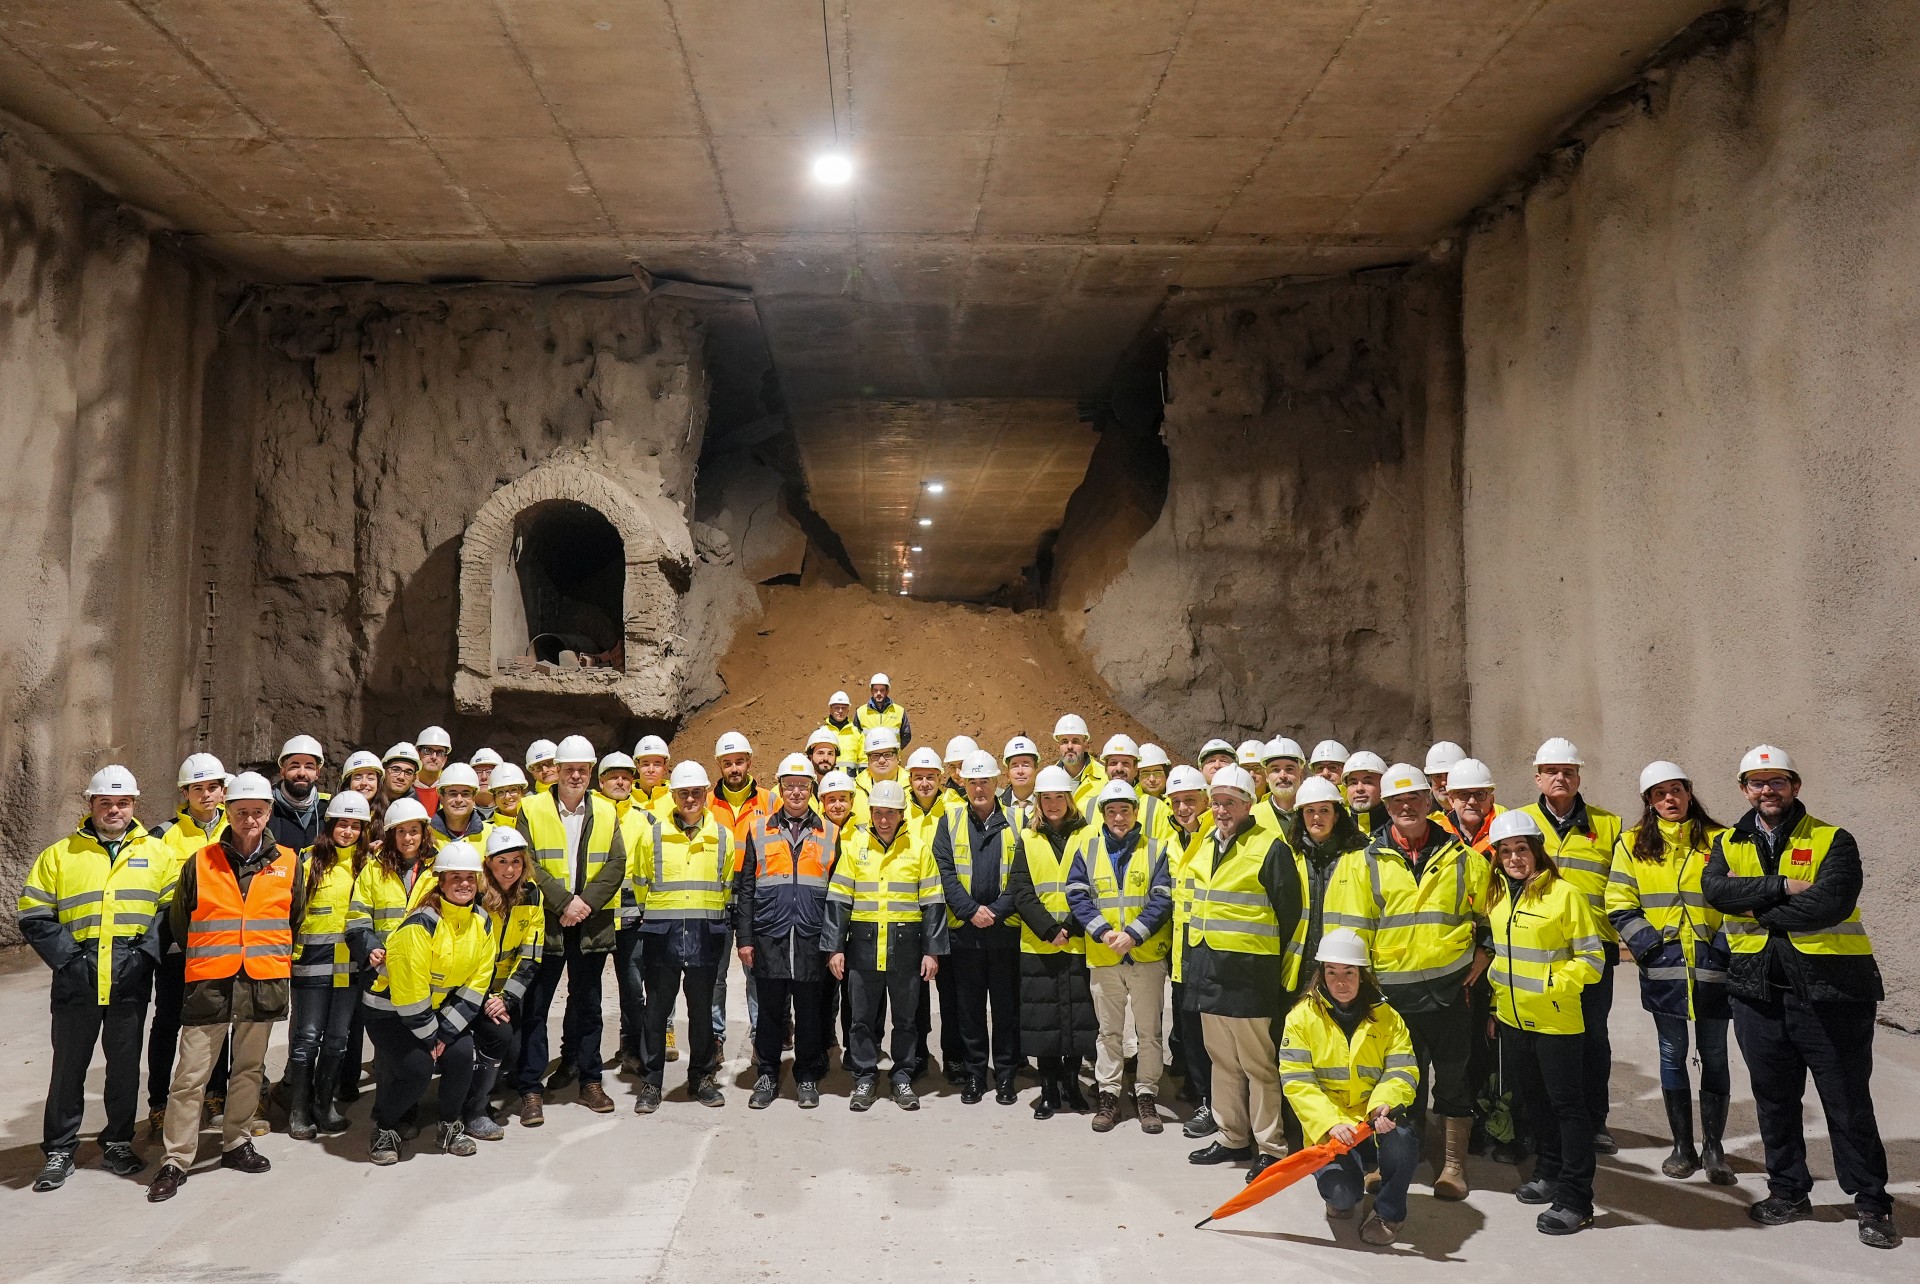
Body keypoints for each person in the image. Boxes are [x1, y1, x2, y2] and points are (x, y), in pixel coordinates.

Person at [1703, 745, 1896, 1250]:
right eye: (1757, 782)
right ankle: (1788, 1191)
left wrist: (1757, 907)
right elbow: (1717, 893)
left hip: (1831, 993)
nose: (1767, 790)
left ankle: (1872, 1203)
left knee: (1847, 1102)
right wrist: (1784, 885)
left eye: (1777, 781)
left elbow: (1830, 904)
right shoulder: (1726, 842)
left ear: (1795, 786)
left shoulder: (1833, 839)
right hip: (1756, 993)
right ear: (1744, 789)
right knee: (1774, 1101)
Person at [148, 772, 303, 1203]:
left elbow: (295, 917)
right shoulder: (200, 861)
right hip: (210, 983)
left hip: (261, 981)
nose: (249, 819)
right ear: (228, 812)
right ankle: (176, 1159)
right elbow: (180, 920)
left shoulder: (289, 862)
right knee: (191, 1075)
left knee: (249, 1069)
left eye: (257, 812)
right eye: (241, 812)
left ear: (268, 813)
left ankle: (236, 1142)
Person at [21, 766, 173, 1192]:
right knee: (68, 1068)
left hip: (130, 975)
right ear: (90, 804)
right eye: (105, 802)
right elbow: (33, 913)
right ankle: (59, 1149)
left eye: (122, 802)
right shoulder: (60, 854)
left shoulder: (157, 853)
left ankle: (118, 1142)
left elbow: (170, 912)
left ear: (134, 805)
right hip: (77, 977)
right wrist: (70, 959)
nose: (114, 810)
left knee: (124, 1068)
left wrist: (144, 955)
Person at [1343, 764, 1490, 1200]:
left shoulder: (1463, 859)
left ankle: (1453, 1167)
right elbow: (1354, 931)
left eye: (1414, 799)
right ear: (1386, 806)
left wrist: (1484, 952)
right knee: (1398, 1083)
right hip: (1393, 997)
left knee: (1453, 1079)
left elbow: (1489, 915)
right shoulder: (1366, 862)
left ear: (1430, 801)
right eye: (1396, 801)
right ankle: (1393, 1163)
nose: (1406, 807)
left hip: (1450, 992)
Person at [1607, 761, 1734, 1185]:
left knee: (1714, 1053)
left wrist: (1723, 946)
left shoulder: (1721, 839)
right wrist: (1651, 949)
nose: (1669, 799)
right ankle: (1683, 1147)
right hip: (1664, 967)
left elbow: (1740, 898)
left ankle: (1714, 1148)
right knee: (1671, 1053)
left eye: (1676, 790)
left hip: (1713, 964)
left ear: (1688, 792)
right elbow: (1619, 902)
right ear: (1649, 801)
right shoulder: (1632, 844)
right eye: (1659, 794)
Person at [1485, 809, 1606, 1235]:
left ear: (1537, 850)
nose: (1514, 858)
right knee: (1534, 1102)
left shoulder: (1565, 895)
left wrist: (1551, 984)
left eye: (1521, 849)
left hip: (1556, 1021)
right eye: (1505, 851)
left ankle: (1577, 1199)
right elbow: (1503, 957)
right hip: (1513, 1018)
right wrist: (1497, 1004)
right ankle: (1549, 1171)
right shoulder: (1499, 898)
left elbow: (1592, 960)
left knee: (1568, 1108)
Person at [1184, 765, 1302, 1183]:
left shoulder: (1270, 848)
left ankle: (1270, 1147)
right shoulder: (1204, 844)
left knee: (1258, 1066)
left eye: (1230, 803)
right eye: (1216, 803)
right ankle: (1232, 1137)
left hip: (1250, 977)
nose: (1221, 810)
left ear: (1249, 804)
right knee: (1222, 1062)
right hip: (1209, 971)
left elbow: (1290, 916)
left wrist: (1281, 976)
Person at [1279, 929, 1420, 1246]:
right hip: (1333, 1127)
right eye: (1332, 972)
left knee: (1403, 1140)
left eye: (1349, 972)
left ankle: (1389, 1213)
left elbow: (1402, 1069)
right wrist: (1330, 1122)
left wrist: (1383, 1104)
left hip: (1373, 1120)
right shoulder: (1301, 1019)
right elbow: (1297, 1080)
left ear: (1362, 974)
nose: (1340, 982)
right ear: (1321, 974)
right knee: (1342, 1197)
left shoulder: (1388, 1018)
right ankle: (1345, 1184)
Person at [1518, 738, 1623, 1153]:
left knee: (1593, 1037)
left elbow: (1620, 886)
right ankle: (1540, 1122)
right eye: (1551, 771)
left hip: (1591, 948)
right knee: (1540, 1038)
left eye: (1568, 771)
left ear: (1579, 776)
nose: (1560, 777)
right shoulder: (1520, 821)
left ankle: (1595, 1121)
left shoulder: (1608, 825)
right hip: (1535, 949)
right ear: (1538, 778)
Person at [514, 735, 626, 1117]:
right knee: (536, 1007)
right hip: (545, 923)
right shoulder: (531, 808)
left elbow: (616, 864)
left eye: (582, 769)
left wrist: (584, 904)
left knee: (588, 1006)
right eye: (569, 769)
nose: (576, 775)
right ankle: (530, 1088)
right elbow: (526, 861)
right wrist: (564, 903)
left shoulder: (607, 810)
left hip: (590, 923)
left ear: (590, 772)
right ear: (557, 770)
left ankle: (590, 1081)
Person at [363, 841, 493, 1164]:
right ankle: (384, 1127)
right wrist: (431, 1036)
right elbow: (410, 991)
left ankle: (449, 1126)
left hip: (436, 1012)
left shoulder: (482, 922)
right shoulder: (422, 923)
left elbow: (476, 984)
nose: (464, 884)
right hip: (389, 1012)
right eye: (455, 877)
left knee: (462, 1054)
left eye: (470, 877)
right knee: (419, 1068)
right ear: (441, 881)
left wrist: (446, 1032)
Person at [823, 779, 946, 1111]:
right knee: (861, 1019)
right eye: (878, 812)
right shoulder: (854, 847)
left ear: (902, 813)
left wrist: (932, 951)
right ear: (871, 812)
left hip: (906, 949)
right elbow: (838, 900)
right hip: (863, 949)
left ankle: (902, 1076)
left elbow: (933, 903)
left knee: (906, 1020)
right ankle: (864, 1077)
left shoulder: (918, 849)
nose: (884, 819)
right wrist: (835, 947)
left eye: (891, 813)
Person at [1067, 779, 1174, 1134]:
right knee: (1108, 1032)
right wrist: (1104, 932)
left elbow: (1162, 898)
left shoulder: (1155, 850)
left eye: (1124, 810)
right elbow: (1077, 895)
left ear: (1135, 812)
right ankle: (1109, 1093)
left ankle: (1146, 1094)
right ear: (1102, 814)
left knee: (1149, 1033)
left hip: (1145, 956)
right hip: (1105, 955)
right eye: (1111, 811)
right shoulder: (1088, 851)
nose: (1118, 818)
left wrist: (1134, 934)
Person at [736, 754, 838, 1110]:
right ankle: (767, 1073)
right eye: (790, 785)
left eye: (803, 786)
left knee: (809, 1013)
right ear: (780, 787)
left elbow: (837, 893)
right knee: (770, 1012)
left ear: (812, 789)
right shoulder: (758, 829)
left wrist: (833, 941)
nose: (796, 792)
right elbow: (746, 889)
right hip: (770, 936)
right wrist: (745, 939)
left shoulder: (830, 832)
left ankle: (806, 1076)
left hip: (811, 937)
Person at [635, 761, 735, 1112]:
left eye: (696, 792)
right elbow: (640, 884)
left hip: (705, 934)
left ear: (705, 793)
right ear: (673, 795)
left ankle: (701, 1079)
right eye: (683, 793)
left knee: (702, 1011)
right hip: (662, 935)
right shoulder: (653, 835)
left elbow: (726, 886)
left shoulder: (722, 836)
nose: (690, 798)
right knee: (656, 1012)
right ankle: (651, 1082)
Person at [145, 754, 231, 1138]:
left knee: (218, 1021)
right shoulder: (163, 834)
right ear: (185, 792)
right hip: (177, 949)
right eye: (198, 788)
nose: (206, 794)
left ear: (223, 790)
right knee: (168, 1022)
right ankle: (159, 1103)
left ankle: (215, 1094)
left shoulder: (236, 826)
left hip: (223, 946)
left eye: (213, 787)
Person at [932, 749, 1023, 1105]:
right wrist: (971, 911)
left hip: (1004, 932)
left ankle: (1006, 1075)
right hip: (965, 933)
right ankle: (974, 1075)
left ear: (997, 782)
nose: (979, 788)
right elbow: (945, 871)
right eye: (973, 782)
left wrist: (996, 912)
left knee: (1006, 1009)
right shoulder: (950, 821)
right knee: (968, 1011)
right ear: (964, 784)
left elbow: (1022, 874)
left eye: (985, 781)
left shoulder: (1016, 821)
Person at [1009, 766, 1098, 1119]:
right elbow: (1021, 890)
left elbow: (1096, 886)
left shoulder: (1089, 834)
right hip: (1040, 944)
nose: (1053, 803)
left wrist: (1071, 927)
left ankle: (1072, 1084)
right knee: (1043, 1021)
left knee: (1078, 1019)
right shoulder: (1028, 838)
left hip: (1079, 942)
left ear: (1070, 799)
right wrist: (1049, 929)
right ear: (1038, 803)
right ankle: (1048, 1088)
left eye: (1059, 796)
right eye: (1046, 797)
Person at [285, 791, 369, 1142]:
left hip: (350, 966)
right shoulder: (308, 861)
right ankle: (299, 1110)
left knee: (337, 1040)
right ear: (330, 824)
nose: (348, 831)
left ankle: (324, 1105)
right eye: (342, 824)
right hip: (311, 965)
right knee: (307, 1038)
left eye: (355, 826)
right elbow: (291, 912)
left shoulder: (368, 866)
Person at [466, 826, 543, 1140]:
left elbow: (531, 954)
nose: (510, 870)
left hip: (504, 992)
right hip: (471, 988)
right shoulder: (476, 895)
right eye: (502, 862)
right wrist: (484, 996)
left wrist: (506, 999)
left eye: (516, 861)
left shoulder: (532, 893)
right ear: (488, 863)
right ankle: (473, 1105)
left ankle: (478, 1092)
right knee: (482, 1042)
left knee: (512, 1051)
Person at [709, 731, 771, 1077]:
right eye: (728, 763)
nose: (734, 768)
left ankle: (762, 1038)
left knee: (756, 972)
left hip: (754, 895)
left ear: (749, 762)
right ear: (719, 765)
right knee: (715, 974)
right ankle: (715, 1038)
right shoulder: (706, 801)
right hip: (717, 895)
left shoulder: (769, 799)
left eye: (739, 762)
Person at [1283, 777, 1372, 998]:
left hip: (1344, 968)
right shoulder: (1288, 856)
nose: (1316, 817)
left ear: (1336, 815)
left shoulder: (1361, 856)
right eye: (1309, 811)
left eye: (1324, 810)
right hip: (1297, 970)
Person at [1164, 765, 1217, 1136]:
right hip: (1182, 954)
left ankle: (1217, 1105)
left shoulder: (1217, 837)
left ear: (1206, 800)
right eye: (1177, 802)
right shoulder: (1172, 840)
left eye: (1190, 800)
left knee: (1214, 1040)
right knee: (1192, 1035)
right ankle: (1205, 1101)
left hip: (1211, 954)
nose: (1183, 809)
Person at [269, 735, 328, 851]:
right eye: (294, 766)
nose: (302, 773)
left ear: (317, 773)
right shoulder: (266, 809)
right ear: (282, 771)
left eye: (309, 767)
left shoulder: (327, 810)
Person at [1438, 758, 1500, 852]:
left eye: (1480, 794)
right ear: (1451, 801)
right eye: (1463, 794)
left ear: (1491, 800)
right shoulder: (1439, 835)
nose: (1472, 801)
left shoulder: (1505, 831)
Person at [1051, 714, 1106, 814]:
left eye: (1075, 741)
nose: (1070, 746)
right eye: (1064, 741)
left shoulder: (1105, 778)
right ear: (1058, 746)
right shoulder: (1048, 779)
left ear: (1085, 744)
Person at [429, 762, 489, 845]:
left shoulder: (491, 835)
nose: (459, 800)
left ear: (474, 798)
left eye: (465, 794)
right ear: (441, 798)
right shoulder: (426, 835)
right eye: (452, 794)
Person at [1253, 738, 1305, 831]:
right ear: (1266, 776)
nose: (1282, 776)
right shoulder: (1252, 815)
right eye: (1275, 770)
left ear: (1301, 775)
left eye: (1289, 769)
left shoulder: (1314, 811)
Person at [851, 672, 911, 748]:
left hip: (891, 755)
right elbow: (855, 737)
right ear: (871, 691)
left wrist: (895, 751)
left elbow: (906, 735)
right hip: (868, 755)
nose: (878, 693)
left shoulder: (899, 711)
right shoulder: (861, 712)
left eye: (882, 690)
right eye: (875, 690)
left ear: (887, 691)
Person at [999, 735, 1041, 831]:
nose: (1020, 771)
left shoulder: (1048, 803)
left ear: (1036, 770)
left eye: (1026, 765)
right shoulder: (998, 806)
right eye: (1015, 766)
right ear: (1007, 774)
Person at [1341, 752, 1390, 833]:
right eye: (1353, 783)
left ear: (1384, 785)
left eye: (1368, 782)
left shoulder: (1400, 829)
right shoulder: (1335, 827)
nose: (1359, 788)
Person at [414, 725, 452, 814]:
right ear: (418, 753)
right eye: (427, 750)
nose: (434, 757)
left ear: (445, 759)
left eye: (440, 752)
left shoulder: (452, 786)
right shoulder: (404, 783)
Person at [826, 690, 866, 770]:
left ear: (848, 710)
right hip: (828, 777)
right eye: (837, 708)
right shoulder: (822, 732)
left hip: (851, 778)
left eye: (843, 708)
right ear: (830, 709)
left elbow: (864, 760)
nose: (840, 711)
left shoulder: (857, 733)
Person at [378, 743, 422, 810]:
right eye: (395, 770)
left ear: (414, 778)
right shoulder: (369, 796)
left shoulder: (415, 809)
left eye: (408, 773)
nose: (401, 777)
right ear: (384, 771)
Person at [633, 735, 672, 810]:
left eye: (657, 765)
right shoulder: (625, 797)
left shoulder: (676, 798)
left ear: (665, 768)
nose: (651, 770)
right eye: (646, 764)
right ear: (637, 767)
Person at [1424, 742, 1466, 810]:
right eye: (1437, 776)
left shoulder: (1480, 813)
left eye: (1449, 775)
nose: (1444, 782)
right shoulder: (1424, 815)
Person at [469, 747, 503, 818]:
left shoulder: (513, 809)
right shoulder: (461, 809)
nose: (484, 777)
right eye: (478, 772)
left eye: (489, 772)